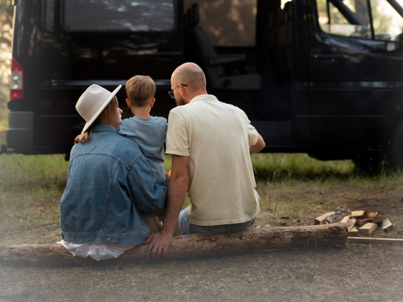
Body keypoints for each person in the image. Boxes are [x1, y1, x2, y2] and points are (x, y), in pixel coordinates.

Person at [146, 62, 266, 258]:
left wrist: (167, 232)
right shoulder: (236, 111)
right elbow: (260, 144)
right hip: (247, 218)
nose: (173, 97)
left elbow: (180, 178)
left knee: (177, 217)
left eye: (172, 93)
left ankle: (164, 234)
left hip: (206, 225)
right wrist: (228, 154)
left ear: (181, 88)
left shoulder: (180, 114)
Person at [59, 83, 168, 261]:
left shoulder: (77, 148)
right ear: (109, 112)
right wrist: (168, 184)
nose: (121, 112)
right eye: (117, 107)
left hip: (74, 238)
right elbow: (151, 201)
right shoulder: (127, 147)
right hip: (115, 240)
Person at [118, 74, 168, 185]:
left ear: (128, 102)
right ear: (152, 102)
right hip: (158, 178)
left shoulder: (123, 126)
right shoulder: (162, 123)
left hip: (134, 179)